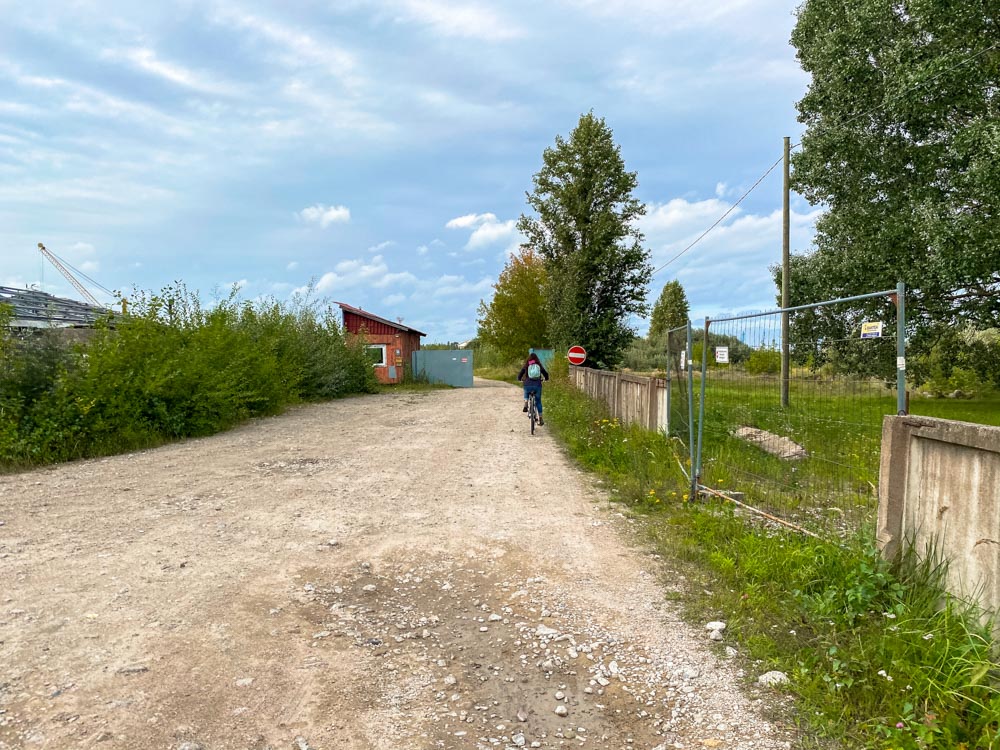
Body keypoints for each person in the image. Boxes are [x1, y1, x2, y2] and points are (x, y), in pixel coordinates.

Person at [517, 352, 550, 425]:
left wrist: (519, 379)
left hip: (527, 384)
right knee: (538, 402)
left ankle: (526, 402)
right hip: (537, 385)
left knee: (526, 390)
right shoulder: (539, 365)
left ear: (529, 358)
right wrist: (546, 379)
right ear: (537, 359)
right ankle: (540, 417)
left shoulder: (527, 365)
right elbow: (545, 373)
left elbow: (520, 373)